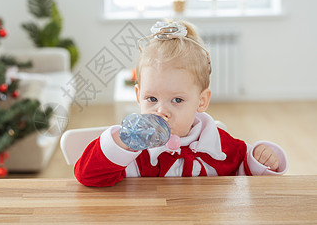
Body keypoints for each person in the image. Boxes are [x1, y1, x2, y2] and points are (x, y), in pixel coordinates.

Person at [74, 20, 288, 187]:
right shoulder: (134, 150)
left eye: (177, 100)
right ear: (138, 96)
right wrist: (122, 141)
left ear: (201, 101)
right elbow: (87, 175)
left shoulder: (219, 146)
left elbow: (246, 178)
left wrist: (261, 159)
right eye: (152, 99)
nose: (161, 111)